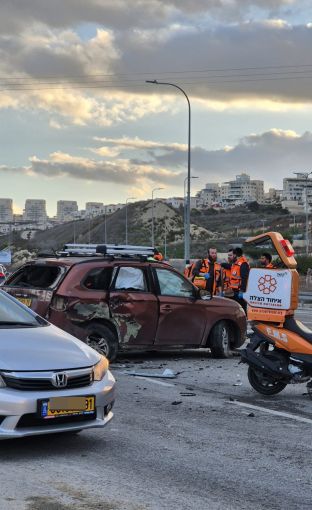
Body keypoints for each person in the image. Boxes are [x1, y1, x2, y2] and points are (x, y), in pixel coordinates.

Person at [230, 247, 250, 313]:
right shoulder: (236, 263)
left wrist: (242, 291)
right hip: (235, 291)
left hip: (240, 291)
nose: (231, 256)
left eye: (232, 255)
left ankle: (245, 321)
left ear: (235, 255)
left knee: (242, 309)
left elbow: (245, 278)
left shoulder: (243, 264)